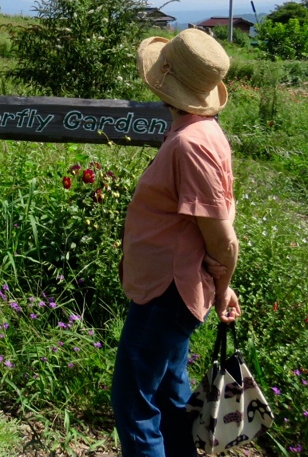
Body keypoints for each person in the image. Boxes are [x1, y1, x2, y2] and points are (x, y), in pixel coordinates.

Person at [111, 28, 240, 457]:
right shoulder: (198, 132)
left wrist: (223, 289)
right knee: (168, 396)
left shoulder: (190, 144)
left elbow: (223, 237)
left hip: (167, 292)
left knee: (133, 403)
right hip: (171, 285)